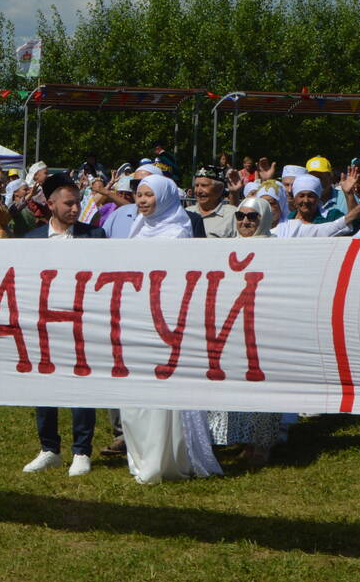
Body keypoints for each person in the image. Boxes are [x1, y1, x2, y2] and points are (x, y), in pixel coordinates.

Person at [120, 175, 223, 484]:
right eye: (139, 195)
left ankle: (165, 458)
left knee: (163, 390)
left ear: (164, 196)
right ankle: (139, 455)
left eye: (149, 195)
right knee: (136, 393)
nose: (141, 201)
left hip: (165, 321)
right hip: (136, 317)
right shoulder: (136, 228)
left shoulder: (179, 232)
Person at [21, 173, 106, 476]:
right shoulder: (31, 240)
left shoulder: (95, 235)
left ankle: (82, 450)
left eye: (78, 203)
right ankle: (49, 448)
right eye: (69, 203)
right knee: (44, 383)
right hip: (44, 321)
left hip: (82, 320)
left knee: (82, 383)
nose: (75, 209)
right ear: (50, 203)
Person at [208, 195, 283, 463]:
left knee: (262, 386)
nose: (246, 221)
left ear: (264, 219)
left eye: (253, 216)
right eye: (241, 216)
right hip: (232, 327)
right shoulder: (227, 248)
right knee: (233, 382)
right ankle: (238, 438)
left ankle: (262, 443)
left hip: (263, 326)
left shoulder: (278, 249)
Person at [272, 171, 360, 237]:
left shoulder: (331, 216)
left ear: (318, 198)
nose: (306, 201)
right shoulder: (288, 219)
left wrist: (349, 194)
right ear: (295, 198)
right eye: (301, 196)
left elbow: (354, 225)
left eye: (311, 196)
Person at [187, 164, 237, 237]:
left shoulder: (232, 214)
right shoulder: (186, 213)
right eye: (196, 185)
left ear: (219, 189)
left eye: (204, 185)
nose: (198, 191)